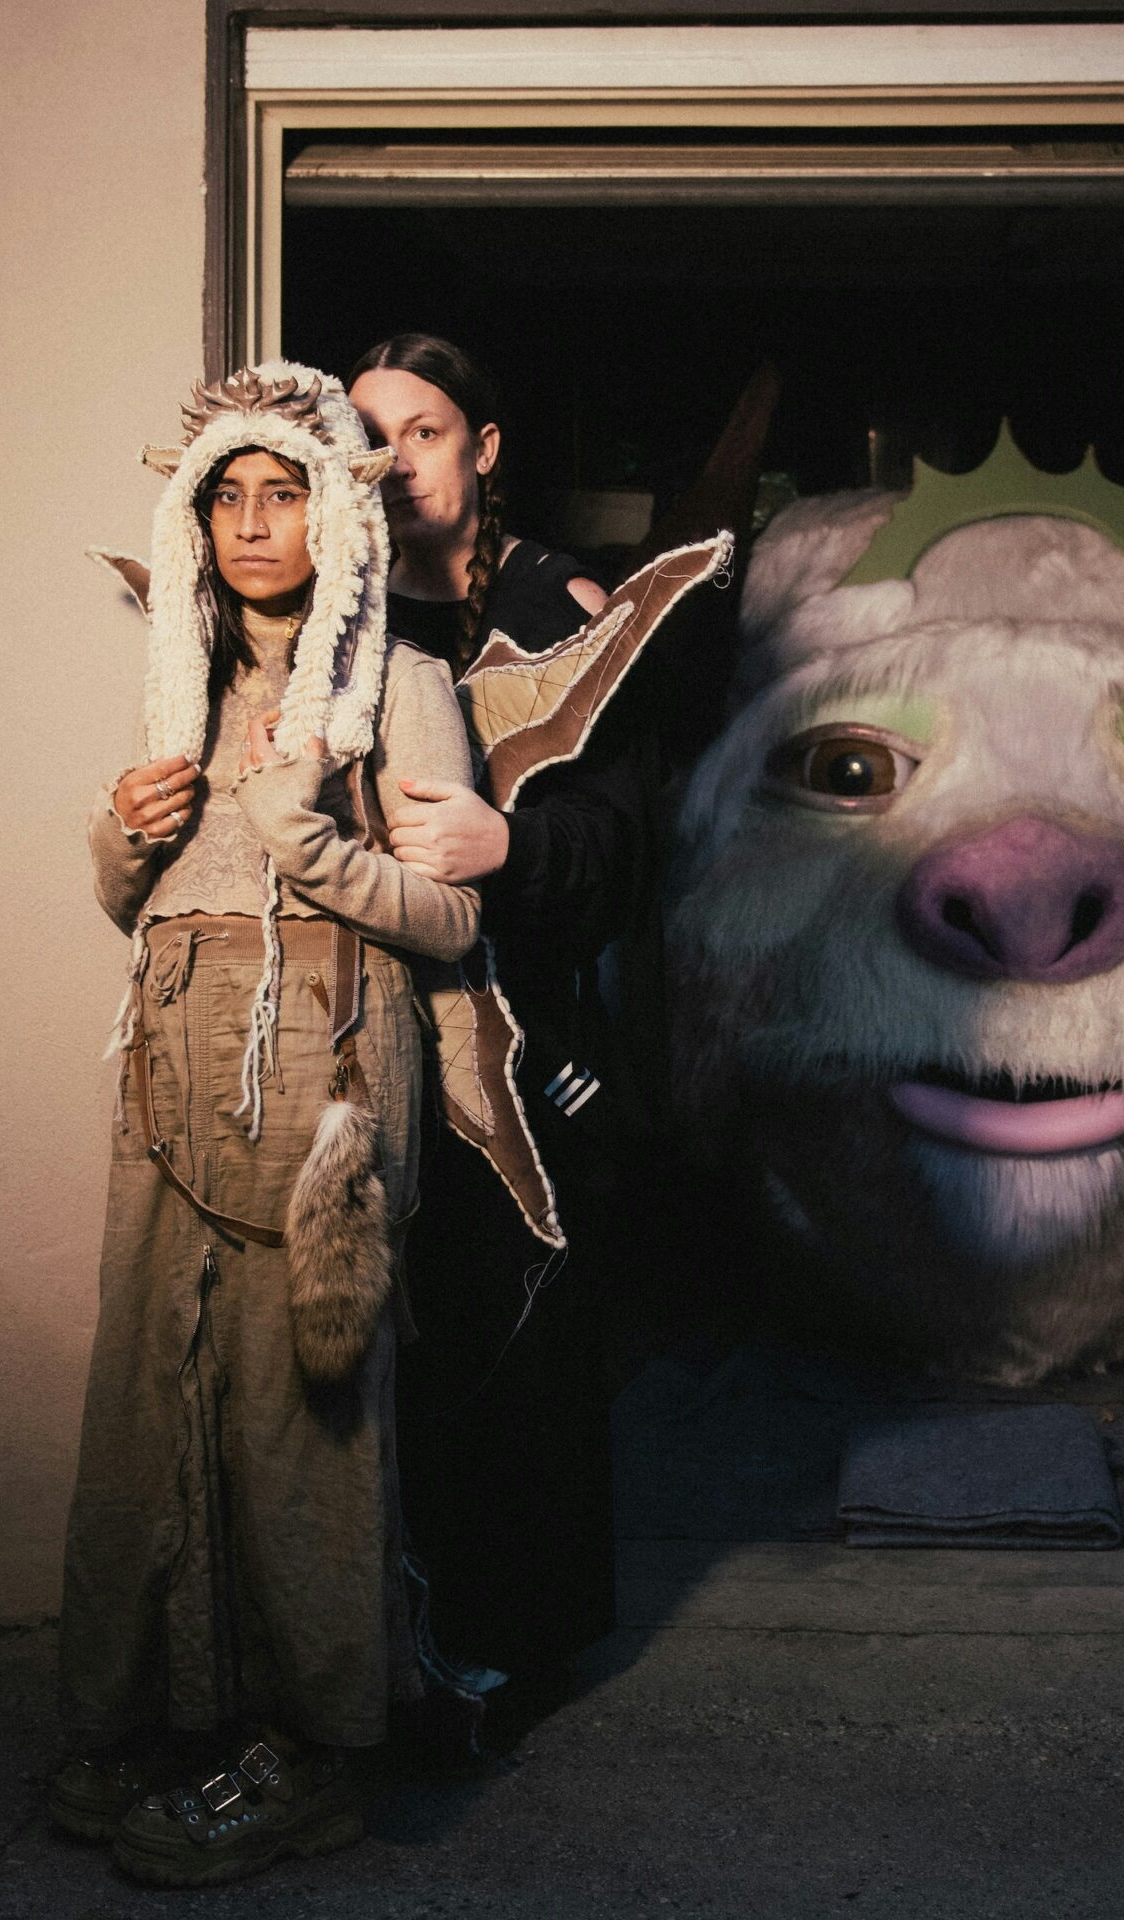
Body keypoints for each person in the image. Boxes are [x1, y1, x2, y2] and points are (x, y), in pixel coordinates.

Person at [52, 362, 481, 1886]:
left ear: (335, 518)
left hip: (329, 1097)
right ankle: (164, 1713)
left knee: (305, 1418)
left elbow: (447, 917)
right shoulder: (185, 676)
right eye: (224, 496)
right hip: (165, 1078)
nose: (249, 523)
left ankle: (318, 1749)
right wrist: (125, 836)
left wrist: (314, 845)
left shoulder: (400, 682)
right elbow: (132, 904)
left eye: (280, 493)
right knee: (149, 1398)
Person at [347, 333, 659, 1682]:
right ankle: (392, 1643)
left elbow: (632, 850)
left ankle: (516, 1660)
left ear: (483, 447)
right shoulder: (337, 613)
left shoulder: (556, 602)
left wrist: (510, 849)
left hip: (521, 1040)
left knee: (513, 1337)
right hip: (366, 1029)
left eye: (425, 429)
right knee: (384, 1339)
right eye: (372, 432)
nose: (397, 458)